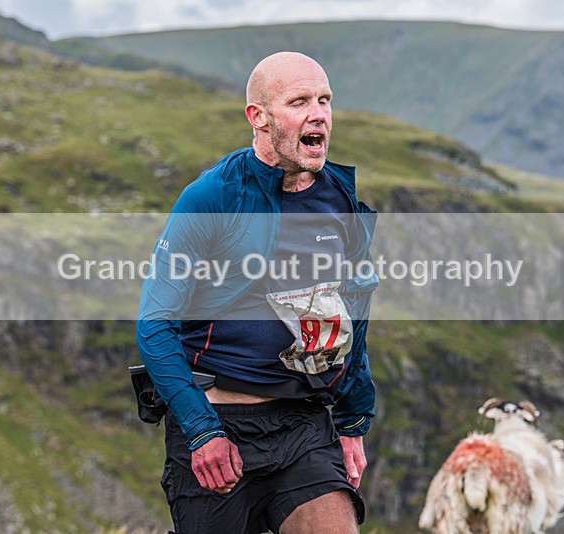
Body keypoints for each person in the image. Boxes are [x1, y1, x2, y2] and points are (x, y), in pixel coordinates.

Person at [137, 51, 378, 534]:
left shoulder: (340, 198)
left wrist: (353, 421)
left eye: (325, 100)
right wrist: (201, 430)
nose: (319, 115)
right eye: (300, 102)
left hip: (304, 424)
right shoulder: (211, 198)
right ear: (259, 117)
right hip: (220, 423)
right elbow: (154, 325)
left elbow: (351, 316)